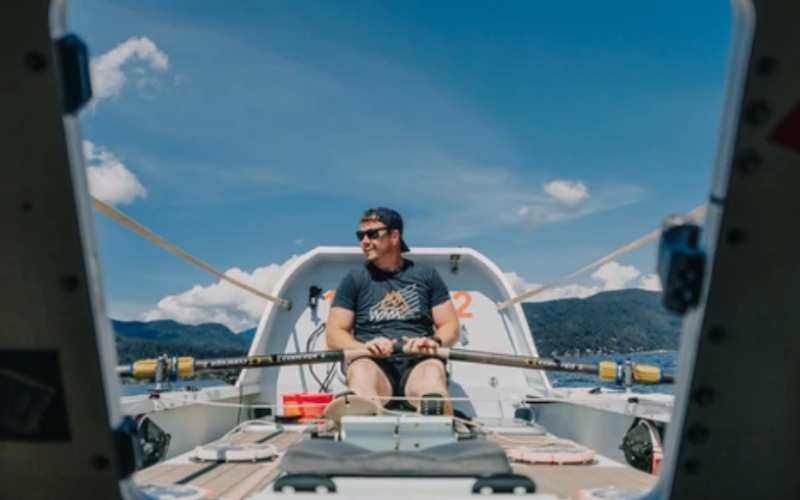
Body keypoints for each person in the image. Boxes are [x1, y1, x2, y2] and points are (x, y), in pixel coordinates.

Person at [325, 207, 460, 415]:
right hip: (373, 365)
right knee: (360, 370)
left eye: (372, 234)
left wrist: (434, 342)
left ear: (395, 236)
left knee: (433, 373)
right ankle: (364, 427)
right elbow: (334, 334)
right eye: (361, 235)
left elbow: (450, 326)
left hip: (419, 362)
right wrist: (363, 347)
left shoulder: (426, 275)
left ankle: (437, 426)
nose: (364, 241)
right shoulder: (354, 279)